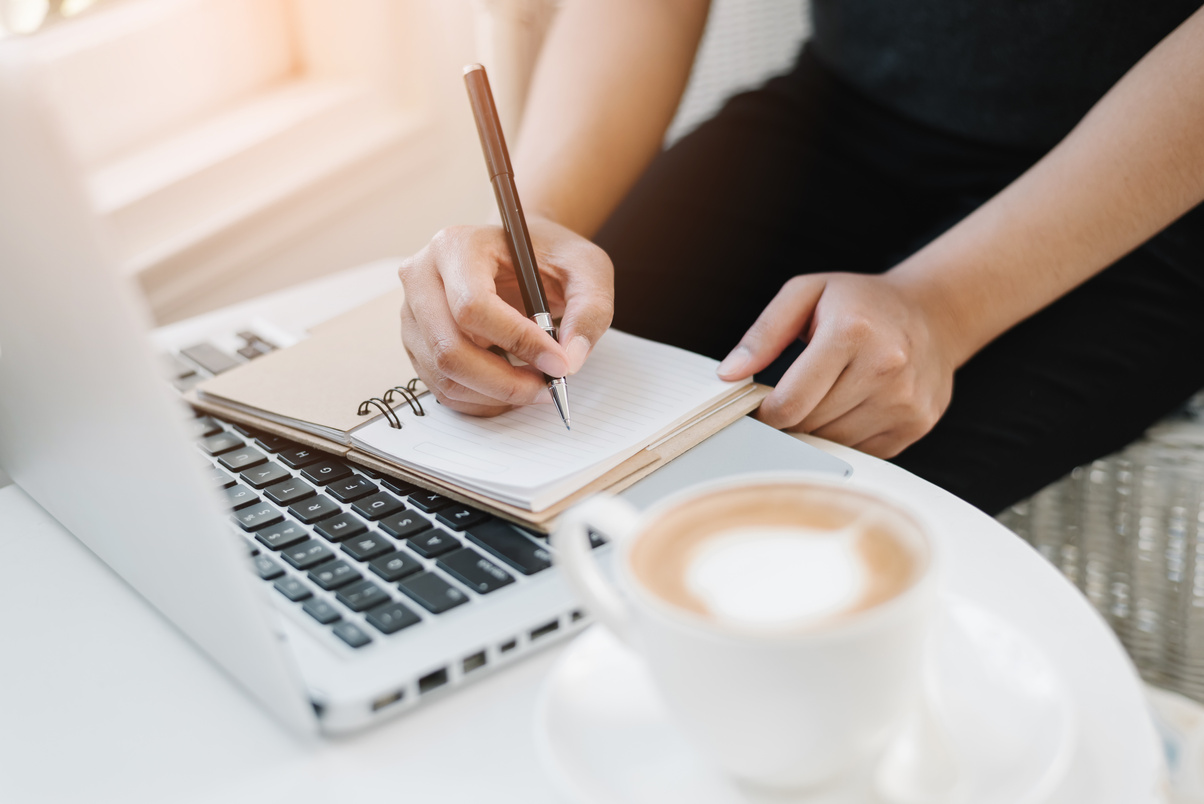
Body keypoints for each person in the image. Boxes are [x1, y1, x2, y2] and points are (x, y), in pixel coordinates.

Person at [397, 0, 1204, 515]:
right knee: (501, 405)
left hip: (1153, 185)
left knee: (808, 524)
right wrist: (533, 225)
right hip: (842, 110)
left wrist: (945, 305)